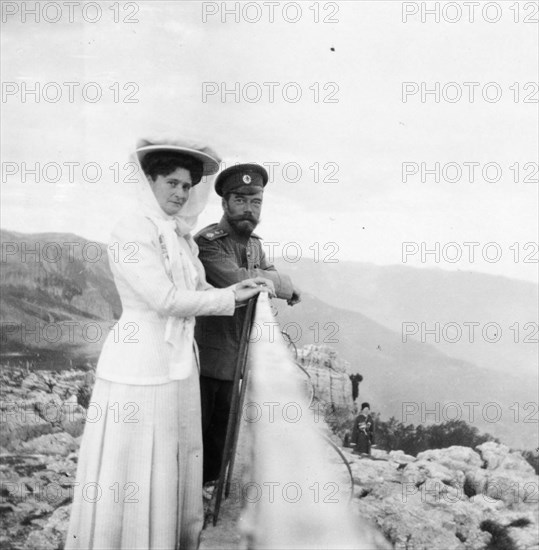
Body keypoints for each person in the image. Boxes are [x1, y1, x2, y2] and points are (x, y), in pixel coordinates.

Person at [65, 139, 272, 550]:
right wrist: (232, 296)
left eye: (186, 186)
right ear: (150, 182)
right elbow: (164, 300)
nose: (179, 193)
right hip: (140, 362)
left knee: (166, 459)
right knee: (136, 461)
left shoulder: (179, 237)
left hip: (177, 360)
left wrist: (242, 286)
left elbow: (193, 287)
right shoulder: (132, 230)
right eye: (172, 183)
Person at [194, 163, 301, 488]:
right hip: (206, 364)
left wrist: (273, 281)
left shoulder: (253, 243)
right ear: (225, 203)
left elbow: (264, 272)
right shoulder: (209, 242)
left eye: (256, 202)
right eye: (240, 200)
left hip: (237, 362)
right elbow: (240, 280)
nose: (249, 209)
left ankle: (209, 497)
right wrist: (285, 284)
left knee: (220, 442)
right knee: (196, 442)